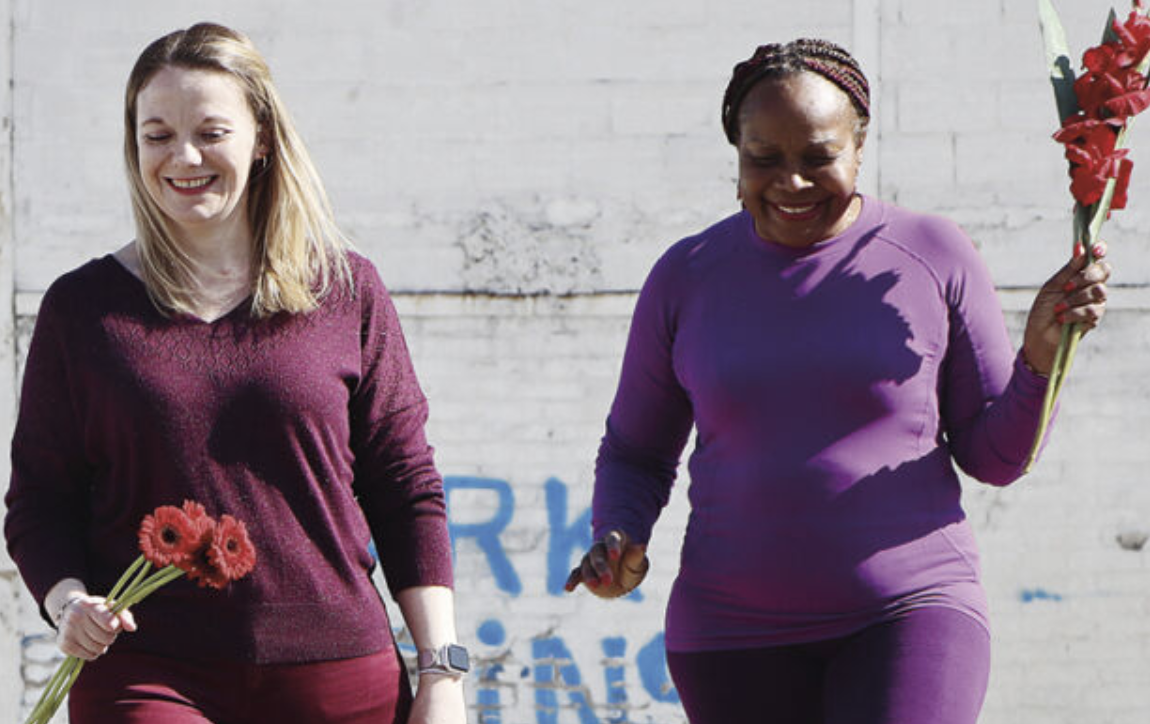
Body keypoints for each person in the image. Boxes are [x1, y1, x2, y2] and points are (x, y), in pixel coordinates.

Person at [565, 39, 1111, 724]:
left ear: (859, 147)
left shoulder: (932, 254)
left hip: (910, 611)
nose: (791, 182)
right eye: (764, 159)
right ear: (737, 155)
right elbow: (636, 452)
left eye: (819, 157)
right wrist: (618, 533)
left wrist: (1040, 358)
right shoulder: (686, 275)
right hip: (732, 635)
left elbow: (996, 458)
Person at [4, 23, 468, 724]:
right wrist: (69, 604)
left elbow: (404, 485)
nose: (183, 156)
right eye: (157, 135)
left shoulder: (347, 291)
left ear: (261, 139)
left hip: (337, 671)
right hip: (147, 671)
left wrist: (442, 672)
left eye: (210, 132)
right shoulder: (82, 309)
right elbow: (40, 500)